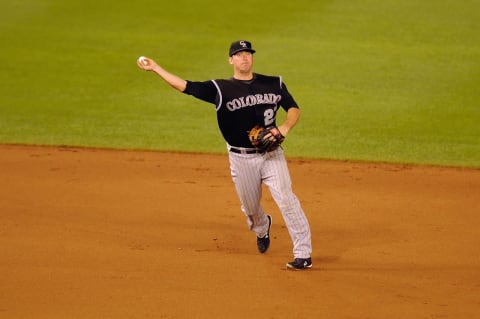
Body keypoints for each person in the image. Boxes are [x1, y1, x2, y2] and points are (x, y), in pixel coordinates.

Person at [137, 40, 312, 270]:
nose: (244, 58)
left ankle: (303, 253)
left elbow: (294, 108)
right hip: (241, 159)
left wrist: (284, 128)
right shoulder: (220, 88)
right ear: (231, 60)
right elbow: (187, 86)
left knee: (287, 199)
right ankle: (262, 227)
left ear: (252, 58)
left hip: (272, 155)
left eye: (248, 53)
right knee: (251, 209)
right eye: (238, 55)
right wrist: (157, 68)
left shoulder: (274, 83)